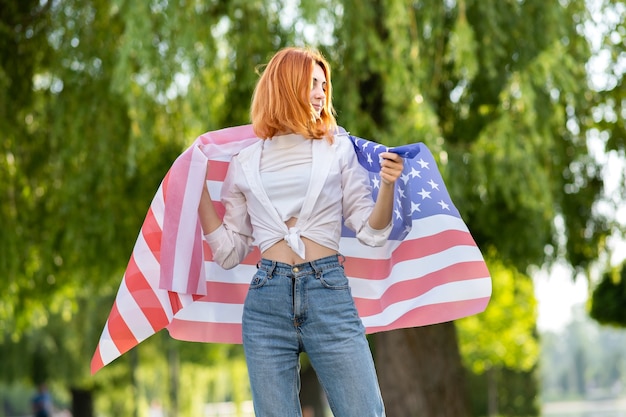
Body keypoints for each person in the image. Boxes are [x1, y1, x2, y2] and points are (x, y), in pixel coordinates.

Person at [198, 46, 403, 417]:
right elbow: (229, 253)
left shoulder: (338, 149)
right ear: (285, 86)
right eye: (312, 83)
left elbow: (371, 233)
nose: (321, 93)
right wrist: (196, 195)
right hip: (266, 302)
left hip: (328, 291)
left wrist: (387, 185)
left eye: (324, 85)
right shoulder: (244, 163)